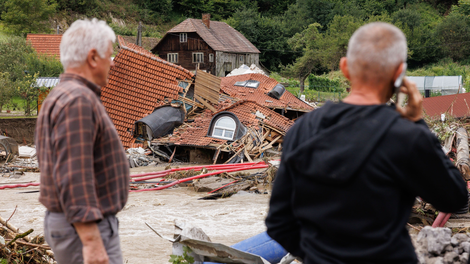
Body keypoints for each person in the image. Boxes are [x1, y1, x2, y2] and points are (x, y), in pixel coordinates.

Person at [265, 22, 468, 264]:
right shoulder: (406, 134)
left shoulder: (302, 130)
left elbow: (278, 222)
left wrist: (318, 255)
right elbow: (454, 198)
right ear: (399, 73)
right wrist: (417, 124)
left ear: (344, 67)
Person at [35, 19, 129, 264]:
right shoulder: (78, 101)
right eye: (110, 55)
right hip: (84, 230)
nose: (113, 62)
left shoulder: (61, 95)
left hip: (73, 224)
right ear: (93, 57)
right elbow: (74, 173)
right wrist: (91, 242)